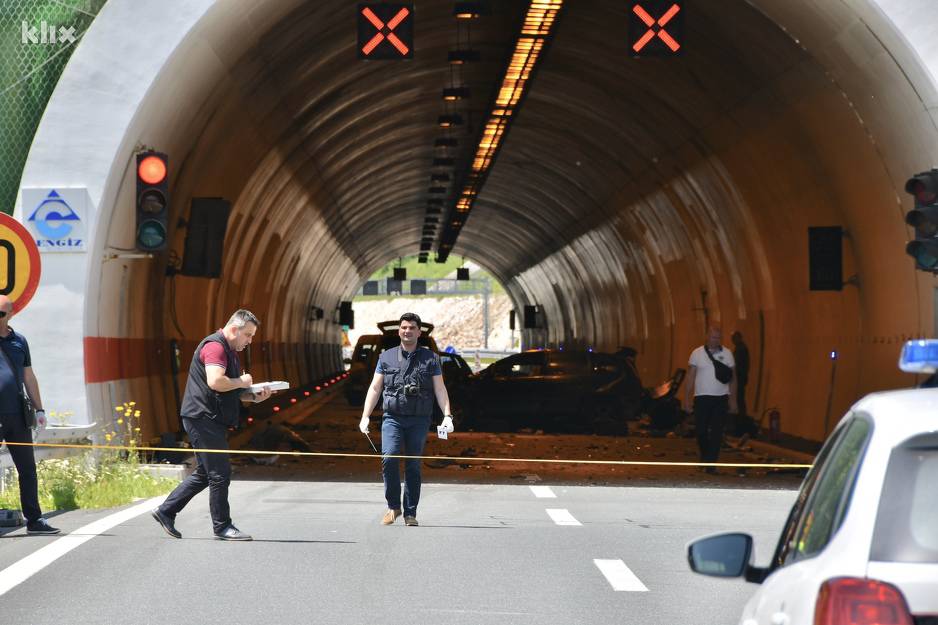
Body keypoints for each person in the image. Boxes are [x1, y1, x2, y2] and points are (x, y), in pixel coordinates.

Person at [151, 309, 272, 541]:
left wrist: (255, 396)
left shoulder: (230, 351)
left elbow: (231, 391)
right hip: (202, 417)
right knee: (219, 473)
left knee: (206, 473)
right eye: (248, 335)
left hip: (209, 418)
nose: (250, 340)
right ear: (234, 329)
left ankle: (166, 511)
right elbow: (216, 381)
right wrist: (243, 381)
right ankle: (222, 526)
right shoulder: (215, 347)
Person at [359, 313, 454, 526]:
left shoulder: (431, 359)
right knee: (389, 457)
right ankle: (394, 506)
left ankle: (411, 512)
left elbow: (440, 388)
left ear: (419, 332)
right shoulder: (386, 358)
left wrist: (447, 415)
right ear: (399, 331)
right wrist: (365, 416)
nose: (407, 331)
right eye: (404, 327)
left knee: (413, 465)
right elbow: (375, 387)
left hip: (419, 419)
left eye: (411, 327)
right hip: (392, 417)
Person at [0, 295, 59, 535]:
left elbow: (29, 377)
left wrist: (40, 409)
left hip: (18, 416)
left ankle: (34, 520)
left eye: (1, 314)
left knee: (27, 469)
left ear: (11, 314)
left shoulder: (19, 341)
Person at [682, 325, 737, 473]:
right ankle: (706, 456)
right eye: (713, 337)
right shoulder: (697, 353)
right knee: (701, 431)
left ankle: (711, 463)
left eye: (718, 337)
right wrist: (686, 399)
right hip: (701, 398)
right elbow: (690, 376)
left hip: (721, 398)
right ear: (707, 336)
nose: (715, 340)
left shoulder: (727, 354)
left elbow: (733, 378)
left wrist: (733, 400)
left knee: (717, 432)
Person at [731, 331, 751, 436]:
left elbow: (738, 365)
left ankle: (740, 425)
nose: (733, 340)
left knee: (739, 401)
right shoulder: (741, 348)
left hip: (739, 379)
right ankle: (740, 424)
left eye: (734, 338)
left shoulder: (741, 349)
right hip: (740, 379)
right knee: (739, 401)